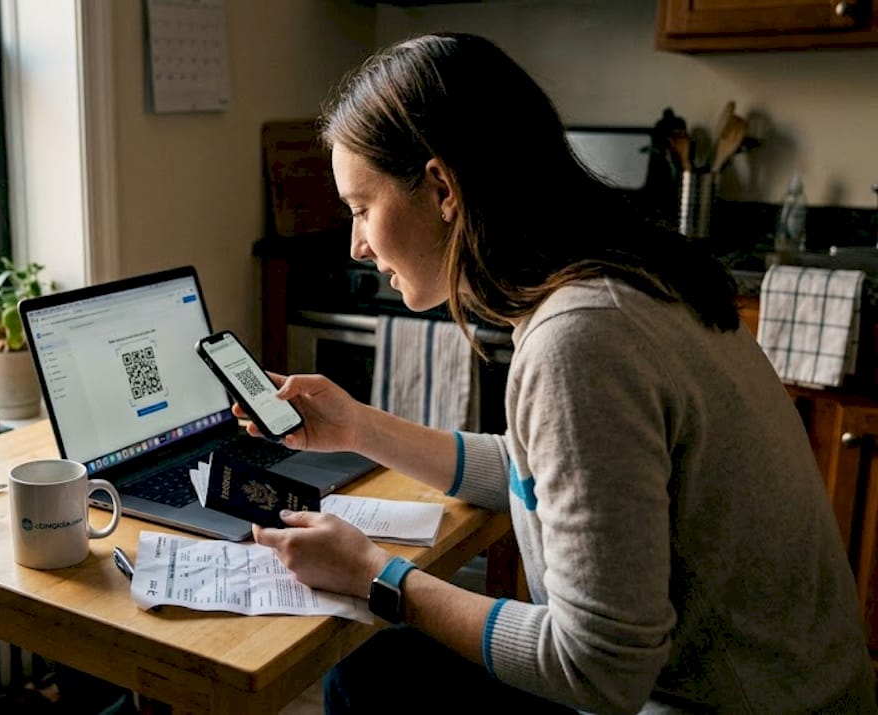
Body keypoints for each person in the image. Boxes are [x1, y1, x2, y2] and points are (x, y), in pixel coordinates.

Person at [246, 33, 876, 714]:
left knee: (369, 680)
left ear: (440, 188)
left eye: (362, 208)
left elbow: (599, 667)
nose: (357, 244)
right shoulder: (622, 278)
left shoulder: (582, 338)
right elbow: (537, 468)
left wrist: (376, 574)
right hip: (797, 691)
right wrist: (358, 426)